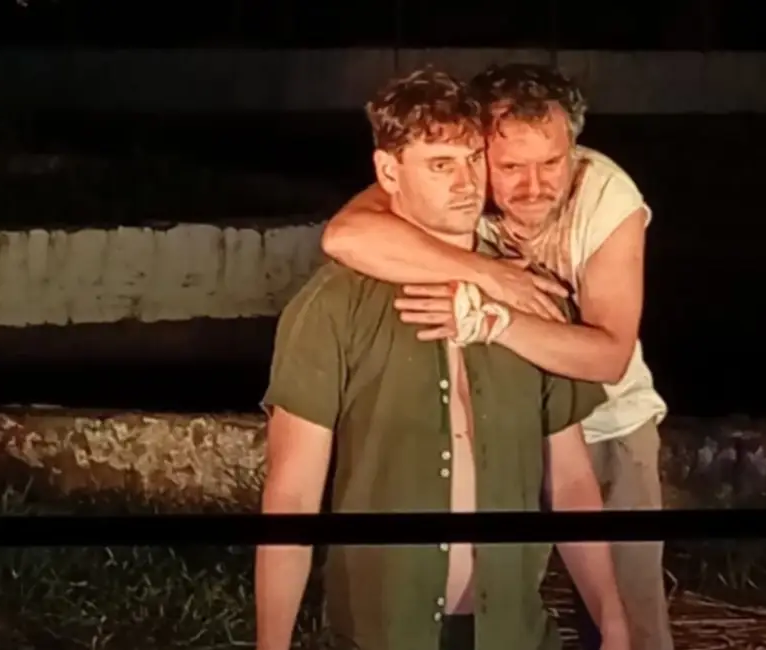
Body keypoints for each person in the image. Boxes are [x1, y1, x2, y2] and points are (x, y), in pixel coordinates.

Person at [255, 67, 630, 650]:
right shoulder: (332, 306)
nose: (466, 182)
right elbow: (292, 496)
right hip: (381, 634)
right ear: (389, 174)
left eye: (474, 159)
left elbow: (571, 477)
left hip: (514, 634)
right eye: (440, 165)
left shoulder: (534, 297)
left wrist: (613, 621)